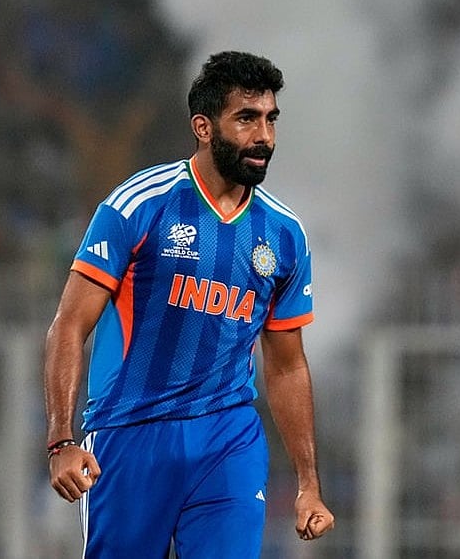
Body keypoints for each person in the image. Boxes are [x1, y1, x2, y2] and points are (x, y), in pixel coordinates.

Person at [43, 50, 334, 557]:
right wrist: (61, 440)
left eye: (270, 119)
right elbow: (69, 326)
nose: (263, 137)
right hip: (129, 436)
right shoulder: (139, 204)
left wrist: (309, 481)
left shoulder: (285, 235)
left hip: (229, 438)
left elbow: (286, 365)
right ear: (203, 126)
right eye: (245, 119)